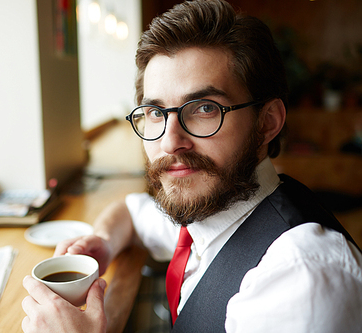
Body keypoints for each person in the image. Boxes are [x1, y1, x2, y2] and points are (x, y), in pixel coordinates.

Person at [22, 0, 362, 332]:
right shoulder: (215, 206)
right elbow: (130, 212)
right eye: (156, 113)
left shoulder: (299, 280)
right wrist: (102, 242)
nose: (170, 142)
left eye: (204, 109)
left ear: (267, 122)